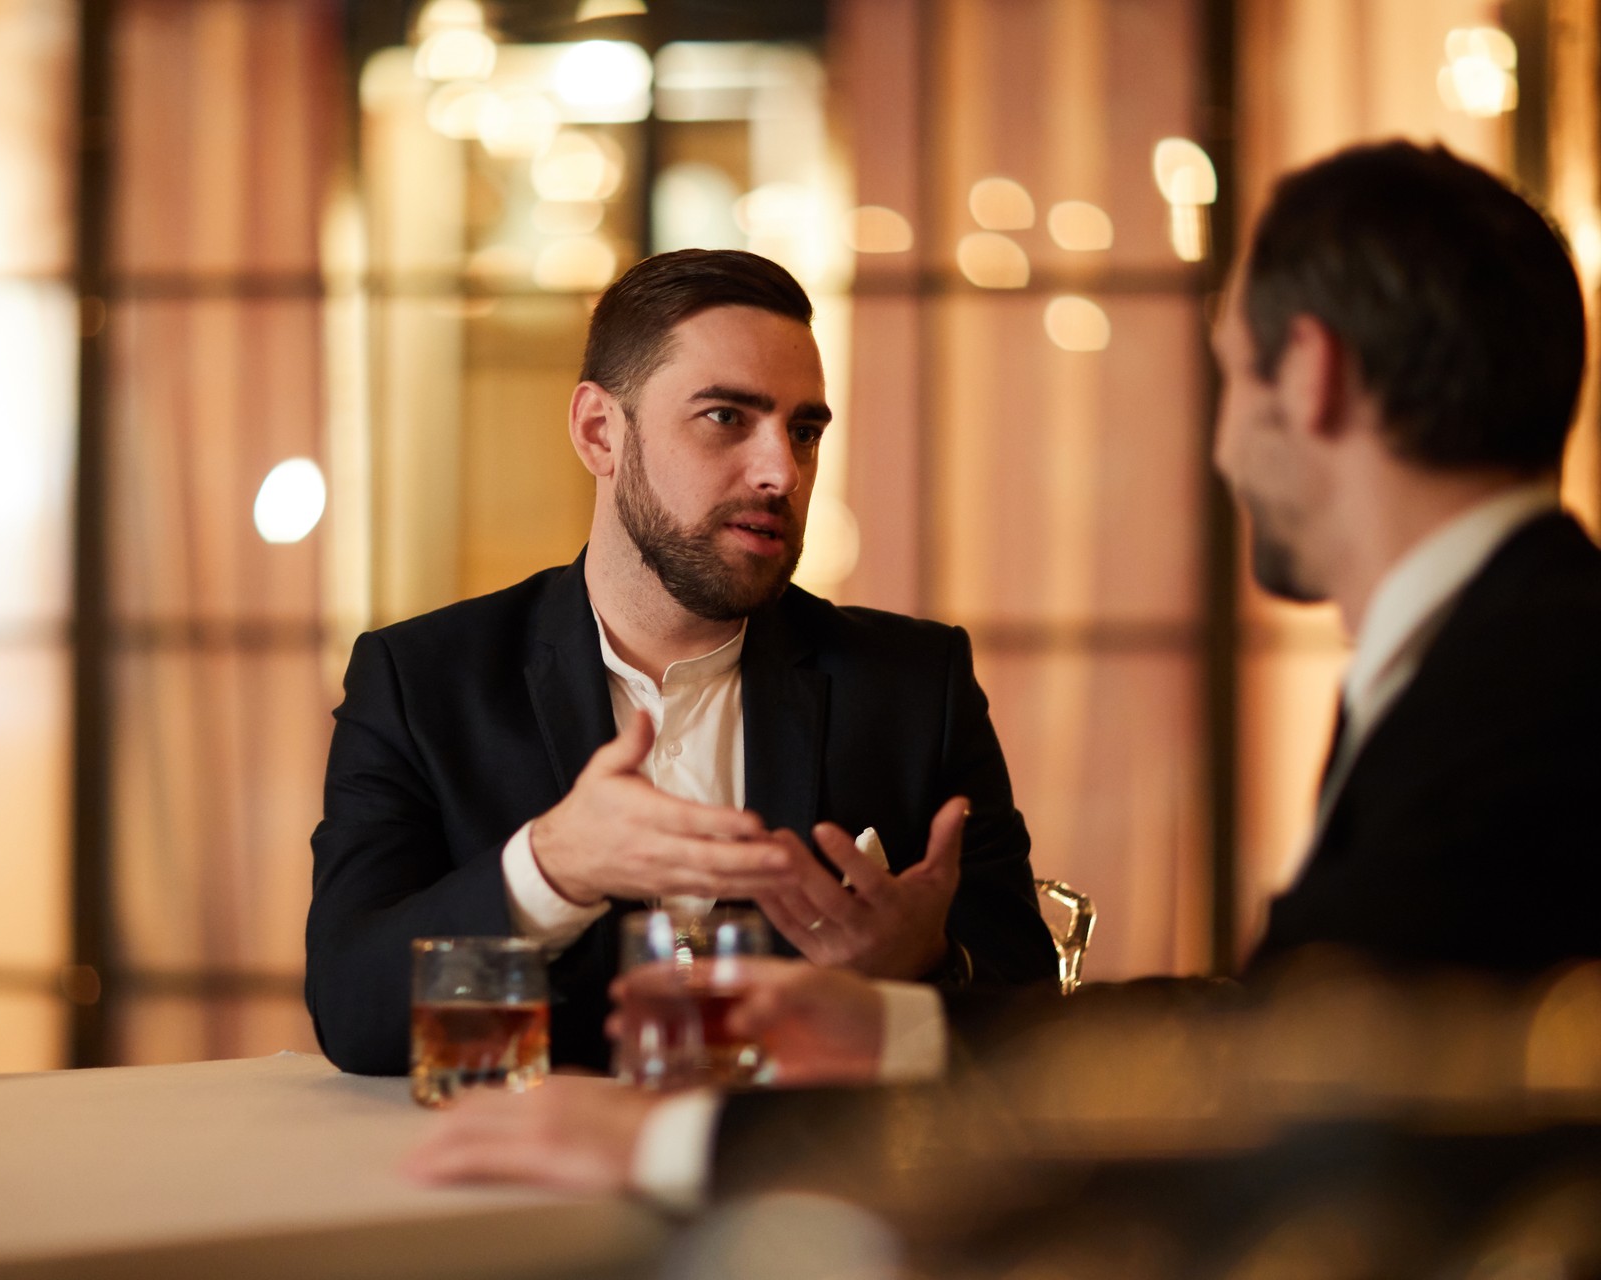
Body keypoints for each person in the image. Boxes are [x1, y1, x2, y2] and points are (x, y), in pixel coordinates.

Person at [405, 140, 1601, 1200]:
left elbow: (1300, 1089)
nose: (1225, 443)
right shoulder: (1514, 647)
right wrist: (899, 1032)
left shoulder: (1514, 690)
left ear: (1317, 375)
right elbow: (1288, 1031)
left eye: (1233, 376)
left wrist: (681, 1148)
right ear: (597, 433)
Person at [306, 248, 1059, 1075]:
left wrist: (925, 968)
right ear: (600, 431)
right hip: (522, 1186)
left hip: (804, 1195)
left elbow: (1032, 1025)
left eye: (803, 431)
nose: (782, 471)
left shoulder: (914, 685)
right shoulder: (424, 681)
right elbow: (358, 1018)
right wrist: (550, 869)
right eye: (726, 418)